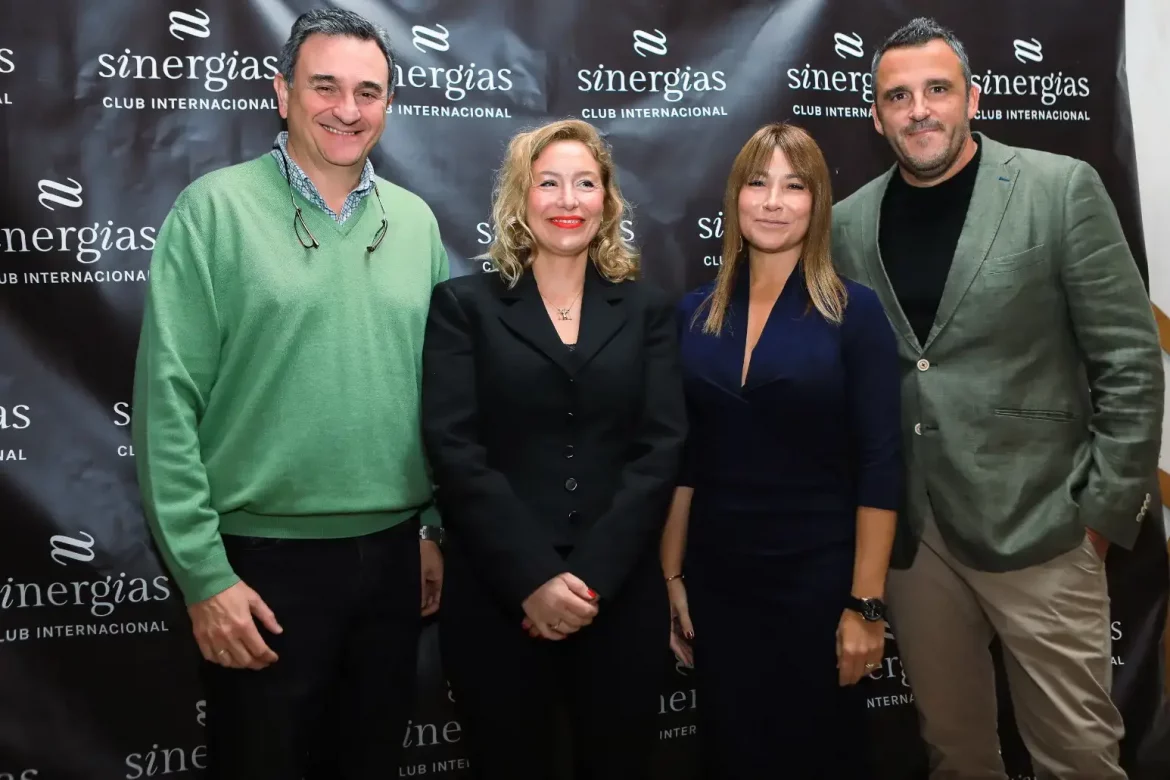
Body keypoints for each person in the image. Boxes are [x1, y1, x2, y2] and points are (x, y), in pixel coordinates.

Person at [831, 17, 1165, 780]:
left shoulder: (1059, 188)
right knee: (956, 755)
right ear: (876, 116)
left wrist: (1101, 517)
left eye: (937, 89)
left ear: (973, 98)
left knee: (1077, 757)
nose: (919, 110)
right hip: (917, 542)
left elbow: (1129, 359)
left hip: (1045, 527)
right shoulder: (848, 224)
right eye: (898, 96)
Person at [131, 9, 447, 779]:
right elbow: (166, 402)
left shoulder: (415, 222)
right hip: (260, 569)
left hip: (393, 560)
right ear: (282, 92)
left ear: (388, 103)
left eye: (368, 91)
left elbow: (441, 394)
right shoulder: (213, 211)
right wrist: (205, 577)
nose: (348, 109)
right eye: (325, 86)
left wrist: (432, 527)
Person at [420, 118, 687, 780]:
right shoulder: (463, 306)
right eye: (549, 183)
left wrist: (589, 580)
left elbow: (660, 448)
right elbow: (454, 449)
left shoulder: (649, 310)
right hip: (498, 599)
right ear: (520, 197)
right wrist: (533, 579)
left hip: (618, 596)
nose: (568, 200)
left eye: (585, 184)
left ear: (607, 200)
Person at [662, 122, 902, 779]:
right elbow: (684, 459)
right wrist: (672, 577)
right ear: (734, 197)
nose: (773, 201)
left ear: (817, 202)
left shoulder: (855, 312)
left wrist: (866, 605)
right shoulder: (694, 314)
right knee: (730, 752)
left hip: (819, 585)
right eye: (757, 183)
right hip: (717, 583)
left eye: (794, 186)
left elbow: (881, 465)